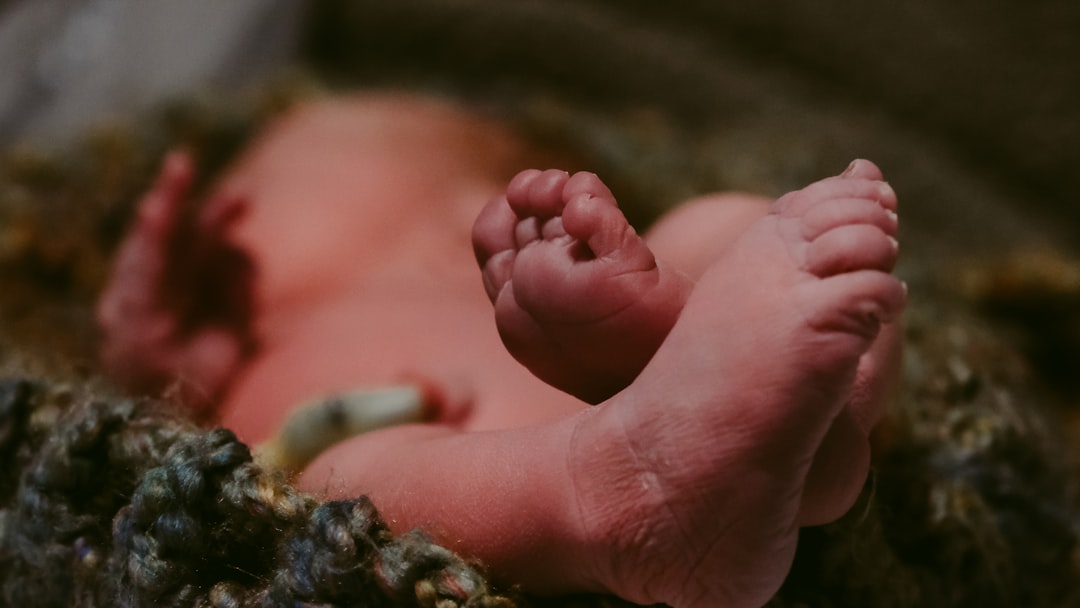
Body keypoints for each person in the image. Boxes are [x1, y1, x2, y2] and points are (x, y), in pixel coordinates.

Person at [97, 92, 905, 608]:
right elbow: (141, 458)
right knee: (350, 485)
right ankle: (621, 492)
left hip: (605, 378)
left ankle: (797, 422)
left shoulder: (529, 286)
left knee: (720, 225)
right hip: (417, 465)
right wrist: (160, 369)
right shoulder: (238, 340)